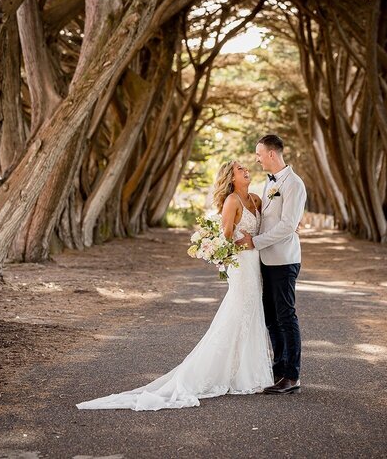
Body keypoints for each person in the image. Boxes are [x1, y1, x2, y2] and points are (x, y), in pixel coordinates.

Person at [76, 161, 274, 411]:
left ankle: (247, 372)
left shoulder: (256, 199)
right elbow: (225, 241)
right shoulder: (232, 201)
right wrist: (241, 245)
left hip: (256, 264)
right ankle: (220, 373)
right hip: (241, 266)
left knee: (253, 312)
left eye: (246, 168)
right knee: (239, 313)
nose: (246, 171)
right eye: (239, 170)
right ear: (231, 178)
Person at [237, 134, 307, 394]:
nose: (256, 159)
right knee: (271, 317)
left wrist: (255, 242)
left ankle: (292, 376)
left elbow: (288, 226)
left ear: (271, 154)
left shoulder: (294, 184)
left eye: (258, 154)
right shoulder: (269, 184)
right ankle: (279, 370)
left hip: (284, 260)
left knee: (286, 316)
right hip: (265, 259)